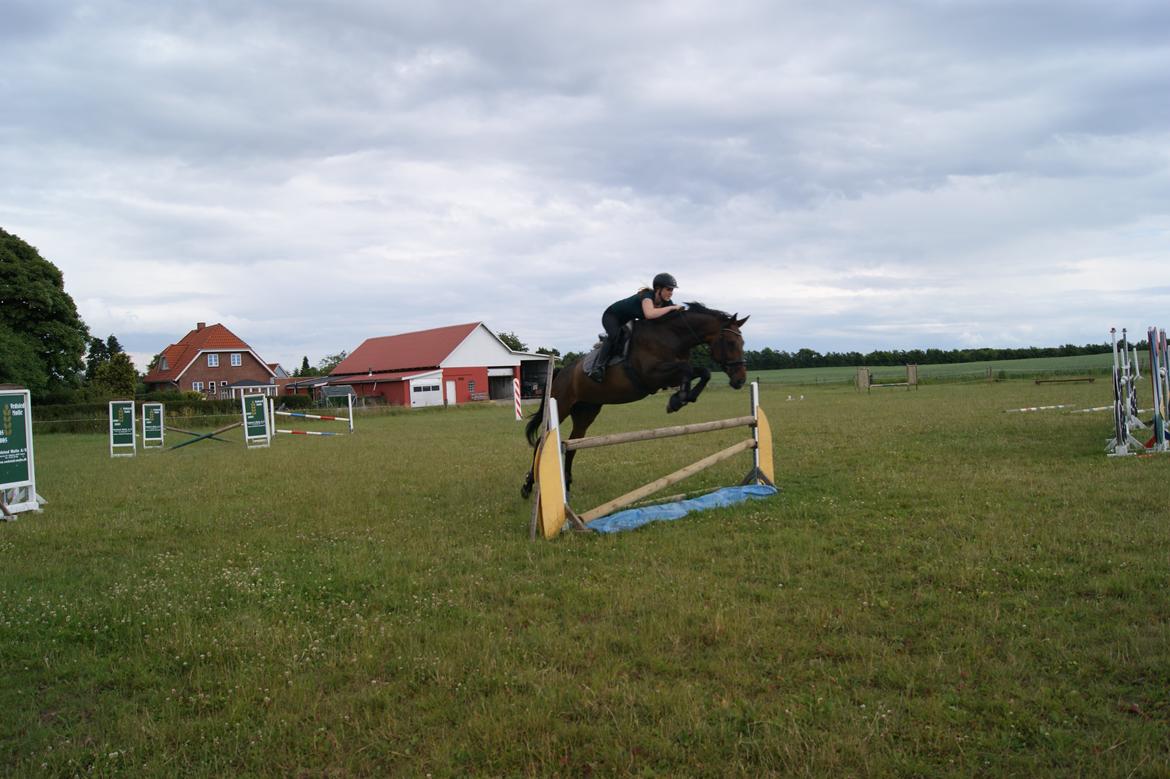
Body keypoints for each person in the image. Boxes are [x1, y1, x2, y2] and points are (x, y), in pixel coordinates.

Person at [588, 273, 685, 382]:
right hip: (612, 316)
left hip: (627, 320)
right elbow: (649, 314)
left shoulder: (667, 303)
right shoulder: (647, 296)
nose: (671, 293)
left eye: (672, 290)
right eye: (668, 289)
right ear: (658, 289)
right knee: (615, 335)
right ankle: (598, 367)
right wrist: (671, 308)